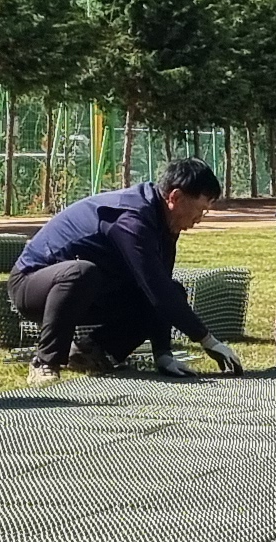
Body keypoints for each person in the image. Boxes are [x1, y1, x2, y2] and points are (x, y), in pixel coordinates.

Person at [14, 159, 246, 383]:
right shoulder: (131, 218)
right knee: (81, 272)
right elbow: (157, 289)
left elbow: (161, 289)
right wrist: (207, 340)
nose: (200, 219)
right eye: (200, 210)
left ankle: (91, 351)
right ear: (175, 197)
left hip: (92, 289)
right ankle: (45, 362)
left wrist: (164, 354)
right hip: (32, 283)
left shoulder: (165, 224)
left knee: (172, 290)